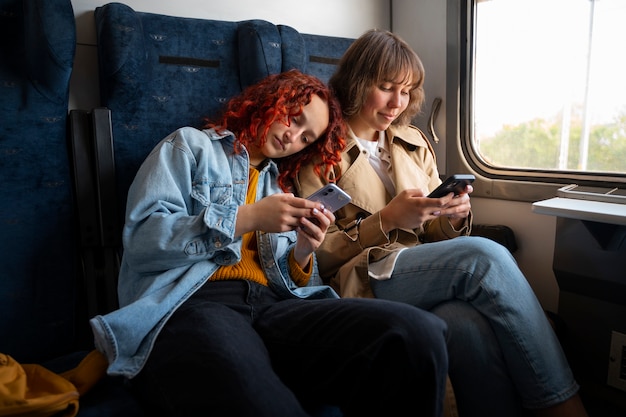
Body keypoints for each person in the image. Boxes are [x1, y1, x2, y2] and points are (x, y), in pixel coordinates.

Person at [88, 69, 450, 417]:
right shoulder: (190, 146)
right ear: (270, 102)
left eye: (307, 138)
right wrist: (248, 218)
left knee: (417, 334)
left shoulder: (280, 186)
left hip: (275, 307)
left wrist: (305, 250)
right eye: (293, 118)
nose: (294, 137)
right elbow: (143, 241)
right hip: (193, 303)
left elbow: (295, 284)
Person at [295, 30, 589, 417]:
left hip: (419, 265)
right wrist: (385, 220)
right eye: (385, 88)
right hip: (362, 273)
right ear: (357, 82)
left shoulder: (412, 141)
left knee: (464, 324)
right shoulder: (319, 150)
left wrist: (453, 216)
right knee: (483, 257)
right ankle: (566, 407)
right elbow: (317, 254)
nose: (397, 103)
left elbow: (431, 229)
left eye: (407, 90)